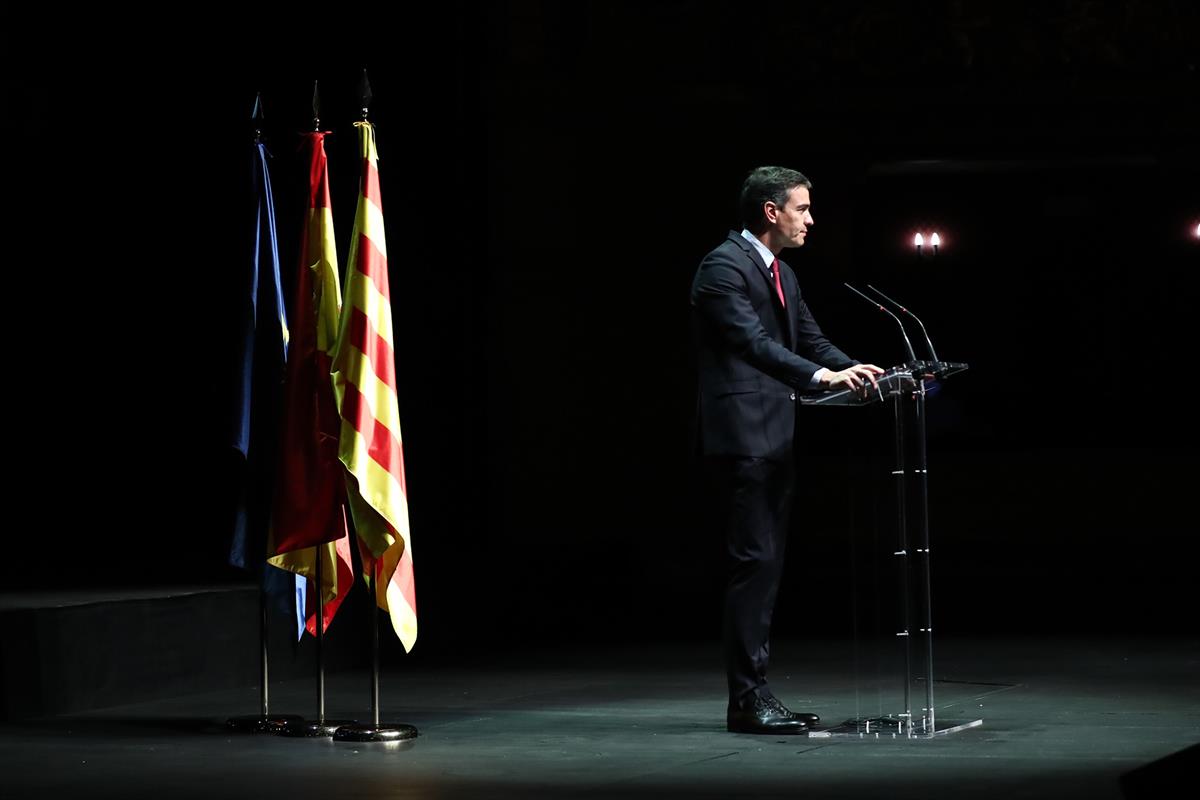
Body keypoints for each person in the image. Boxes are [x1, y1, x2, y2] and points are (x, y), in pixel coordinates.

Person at [690, 166, 883, 734]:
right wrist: (821, 377)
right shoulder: (721, 267)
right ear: (771, 212)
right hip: (744, 437)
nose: (811, 220)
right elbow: (751, 344)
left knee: (767, 566)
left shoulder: (783, 273)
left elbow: (810, 338)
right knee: (753, 565)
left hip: (776, 436)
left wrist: (859, 370)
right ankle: (747, 700)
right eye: (802, 209)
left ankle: (756, 693)